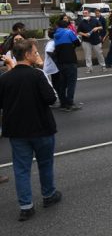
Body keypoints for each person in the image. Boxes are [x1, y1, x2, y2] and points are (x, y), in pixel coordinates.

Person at [0, 39, 63, 221]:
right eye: (35, 53)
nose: (37, 55)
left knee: (21, 169)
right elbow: (51, 99)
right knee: (45, 163)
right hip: (41, 127)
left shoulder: (4, 78)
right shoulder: (38, 75)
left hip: (17, 131)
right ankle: (48, 195)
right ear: (27, 55)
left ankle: (26, 206)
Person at [53, 19, 81, 111]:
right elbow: (77, 43)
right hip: (70, 60)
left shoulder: (55, 35)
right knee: (71, 83)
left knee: (63, 83)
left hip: (60, 62)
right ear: (66, 26)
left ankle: (63, 103)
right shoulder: (69, 32)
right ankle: (70, 104)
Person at [76, 9, 106, 74]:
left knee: (99, 54)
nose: (84, 14)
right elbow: (78, 32)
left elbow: (101, 27)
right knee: (87, 55)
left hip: (96, 40)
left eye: (86, 13)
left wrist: (97, 28)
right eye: (83, 13)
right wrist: (84, 34)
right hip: (86, 41)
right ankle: (89, 68)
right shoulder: (81, 22)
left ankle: (103, 66)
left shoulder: (95, 20)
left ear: (89, 14)